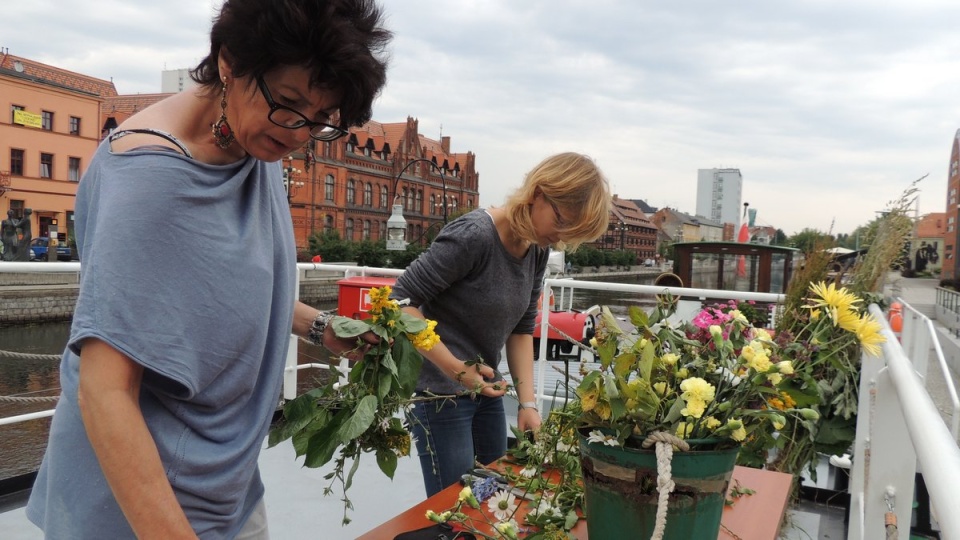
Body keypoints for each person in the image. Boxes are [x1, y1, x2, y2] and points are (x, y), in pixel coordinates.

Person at [26, 1, 389, 538]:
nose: (296, 134)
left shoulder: (250, 140)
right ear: (230, 60)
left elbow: (219, 284)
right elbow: (105, 393)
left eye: (319, 121)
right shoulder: (149, 182)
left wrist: (324, 329)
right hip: (145, 506)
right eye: (288, 105)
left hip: (227, 483)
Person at [391, 152, 611, 496]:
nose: (563, 237)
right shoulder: (474, 236)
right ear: (539, 193)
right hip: (439, 394)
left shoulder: (536, 248)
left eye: (574, 233)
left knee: (497, 498)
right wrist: (455, 369)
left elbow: (523, 328)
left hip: (488, 389)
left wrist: (527, 405)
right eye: (563, 222)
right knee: (455, 508)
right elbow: (401, 303)